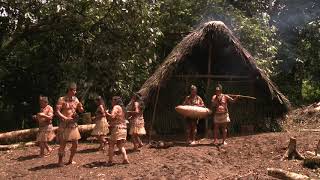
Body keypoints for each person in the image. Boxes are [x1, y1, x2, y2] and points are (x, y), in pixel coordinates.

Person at [56, 82, 84, 166]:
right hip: (64, 124)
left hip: (73, 124)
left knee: (75, 144)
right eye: (74, 90)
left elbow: (81, 110)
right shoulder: (62, 99)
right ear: (69, 90)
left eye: (75, 90)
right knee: (63, 143)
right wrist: (64, 117)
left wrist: (81, 107)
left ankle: (70, 160)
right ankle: (60, 161)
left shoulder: (76, 99)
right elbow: (57, 111)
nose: (75, 92)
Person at [106, 96, 129, 165]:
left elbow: (112, 116)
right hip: (123, 128)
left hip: (117, 129)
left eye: (112, 100)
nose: (111, 102)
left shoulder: (116, 107)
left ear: (115, 101)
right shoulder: (122, 108)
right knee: (120, 145)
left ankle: (110, 161)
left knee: (111, 144)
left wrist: (106, 113)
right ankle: (125, 159)